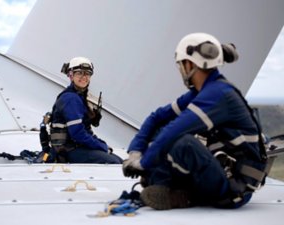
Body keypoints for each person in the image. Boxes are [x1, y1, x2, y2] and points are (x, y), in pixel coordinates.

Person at [122, 33, 269, 210]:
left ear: (190, 64)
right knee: (162, 129)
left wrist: (144, 164)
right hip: (217, 172)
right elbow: (157, 117)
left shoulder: (220, 94)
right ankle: (168, 188)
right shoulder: (203, 92)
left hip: (234, 190)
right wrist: (135, 153)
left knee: (183, 142)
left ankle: (177, 191)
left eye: (182, 64)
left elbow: (175, 131)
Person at [48, 56, 123, 164]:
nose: (84, 77)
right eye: (79, 73)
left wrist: (101, 144)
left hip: (77, 147)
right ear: (70, 75)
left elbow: (85, 131)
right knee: (115, 163)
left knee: (119, 160)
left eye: (87, 73)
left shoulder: (79, 97)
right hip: (68, 151)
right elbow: (78, 134)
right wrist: (102, 146)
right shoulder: (71, 99)